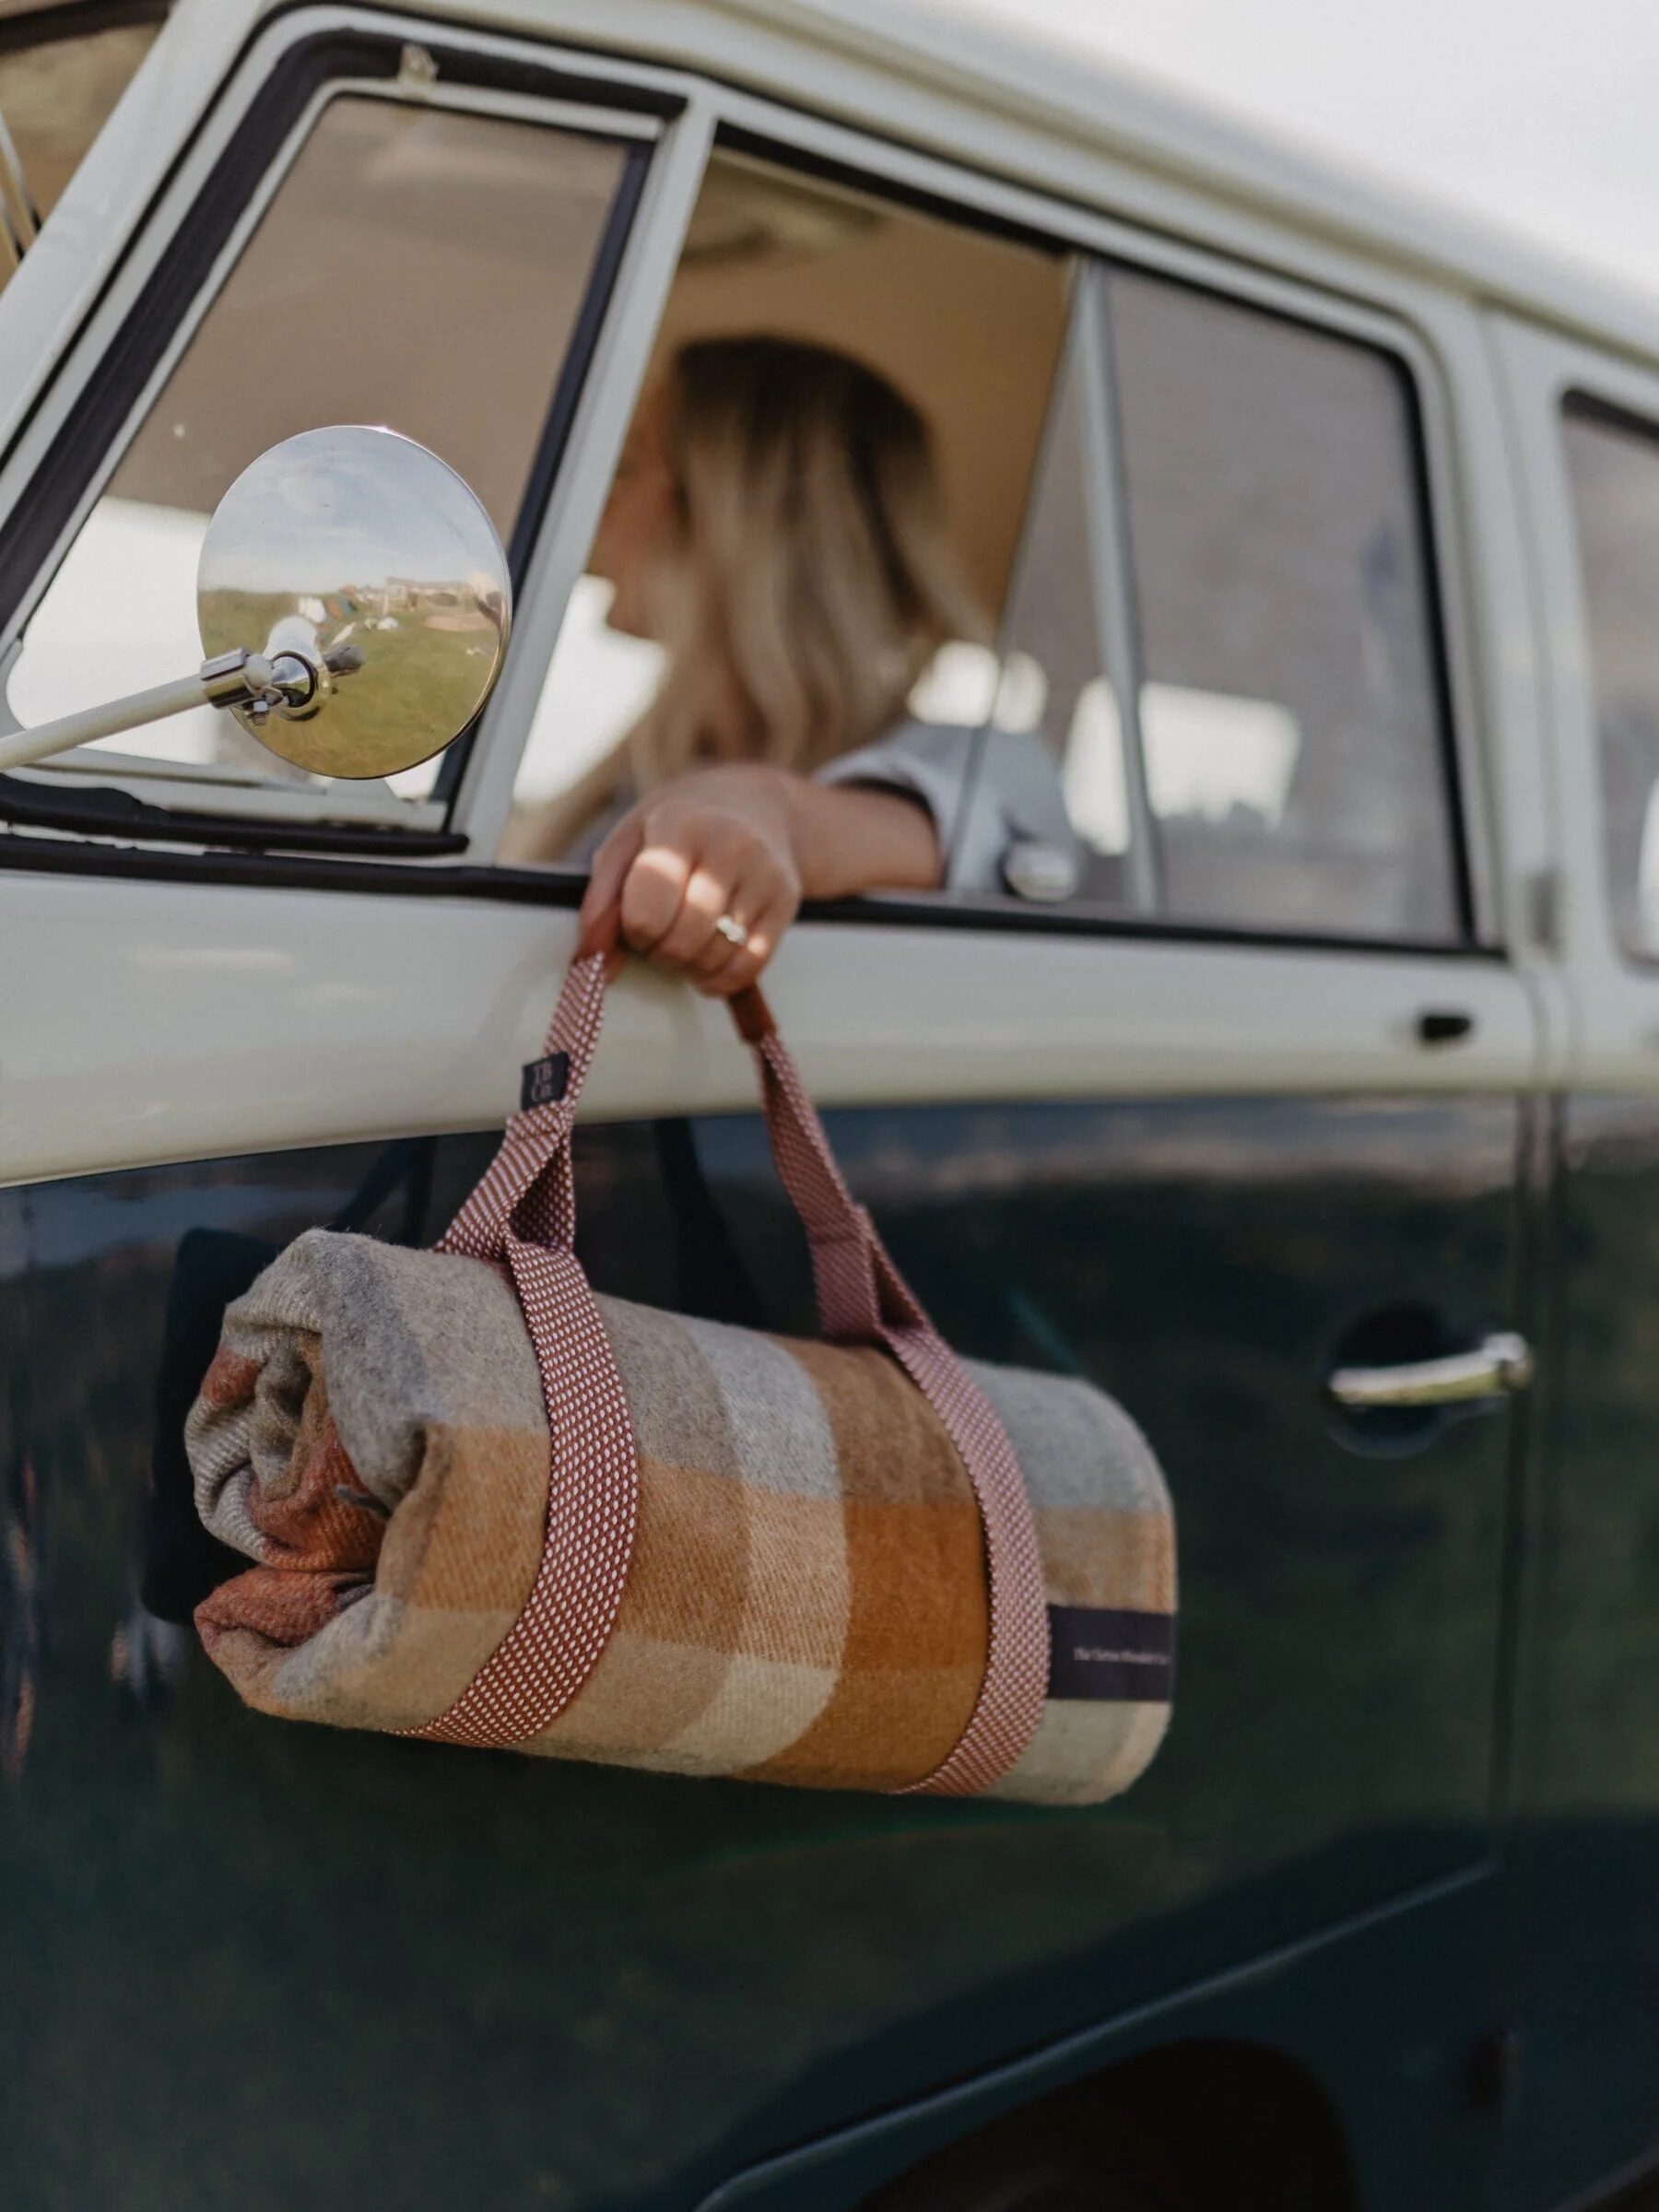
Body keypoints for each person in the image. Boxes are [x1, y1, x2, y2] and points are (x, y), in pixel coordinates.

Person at [504, 335, 1077, 994]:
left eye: (631, 464)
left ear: (727, 522)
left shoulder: (983, 767)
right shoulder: (623, 784)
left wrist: (766, 814)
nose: (602, 503)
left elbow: (971, 837)